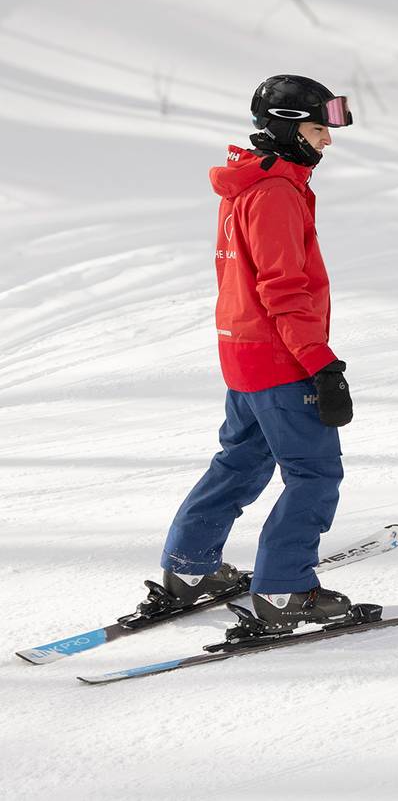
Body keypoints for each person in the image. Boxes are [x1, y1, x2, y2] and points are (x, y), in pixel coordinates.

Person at [139, 75, 376, 635]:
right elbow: (283, 289)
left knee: (241, 462)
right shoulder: (274, 194)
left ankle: (190, 570)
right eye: (320, 129)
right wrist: (321, 362)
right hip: (280, 360)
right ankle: (286, 590)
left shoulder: (249, 184)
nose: (328, 141)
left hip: (243, 353)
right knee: (313, 475)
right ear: (291, 129)